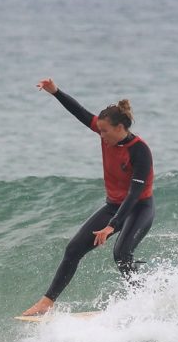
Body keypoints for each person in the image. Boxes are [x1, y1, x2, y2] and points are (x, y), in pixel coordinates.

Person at [20, 78, 155, 318]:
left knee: (122, 253)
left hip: (139, 208)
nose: (100, 134)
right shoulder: (106, 132)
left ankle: (145, 302)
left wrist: (111, 225)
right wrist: (55, 92)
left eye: (104, 131)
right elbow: (79, 112)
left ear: (119, 127)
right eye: (99, 130)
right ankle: (46, 303)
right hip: (113, 206)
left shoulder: (139, 150)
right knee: (73, 249)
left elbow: (134, 194)